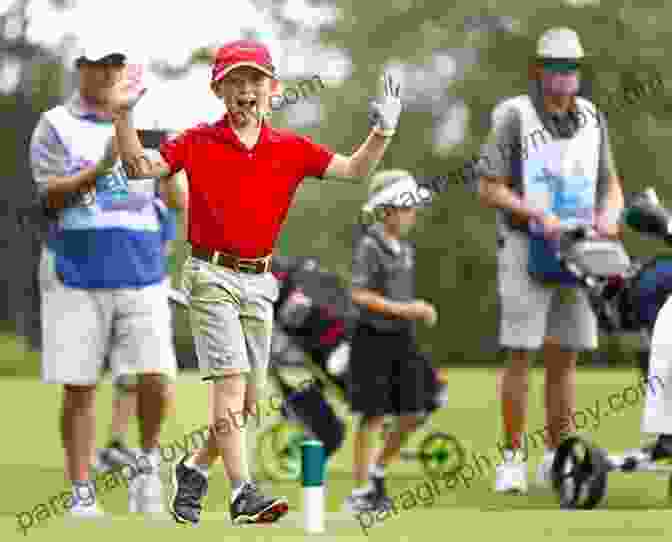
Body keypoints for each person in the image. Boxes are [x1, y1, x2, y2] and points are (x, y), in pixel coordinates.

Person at [105, 39, 403, 525]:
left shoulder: (290, 148)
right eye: (235, 82)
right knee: (229, 384)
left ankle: (195, 468)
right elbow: (141, 167)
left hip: (260, 282)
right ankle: (243, 491)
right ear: (218, 90)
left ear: (273, 89)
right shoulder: (197, 140)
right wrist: (122, 118)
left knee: (244, 404)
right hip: (211, 275)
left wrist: (382, 131)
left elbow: (353, 170)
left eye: (255, 80)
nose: (246, 90)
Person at [28, 44, 181, 517]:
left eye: (115, 64)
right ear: (81, 70)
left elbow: (174, 195)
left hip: (143, 270)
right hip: (75, 271)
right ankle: (81, 492)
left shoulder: (154, 123)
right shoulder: (55, 124)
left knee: (157, 376)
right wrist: (101, 166)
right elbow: (50, 198)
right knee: (79, 386)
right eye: (97, 64)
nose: (108, 72)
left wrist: (172, 170)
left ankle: (147, 469)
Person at [475, 27, 625, 493]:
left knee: (565, 358)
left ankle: (558, 459)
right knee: (520, 353)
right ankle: (512, 457)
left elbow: (611, 185)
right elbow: (488, 187)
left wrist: (610, 216)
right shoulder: (514, 116)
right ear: (538, 70)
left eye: (572, 67)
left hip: (580, 247)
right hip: (526, 245)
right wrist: (535, 213)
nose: (564, 75)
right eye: (555, 66)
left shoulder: (592, 117)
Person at [343, 169, 438, 512]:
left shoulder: (406, 249)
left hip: (402, 339)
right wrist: (406, 309)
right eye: (406, 207)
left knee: (414, 410)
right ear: (386, 211)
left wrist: (412, 313)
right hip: (372, 339)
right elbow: (359, 294)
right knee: (371, 415)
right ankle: (360, 490)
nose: (412, 215)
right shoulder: (370, 246)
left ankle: (378, 471)